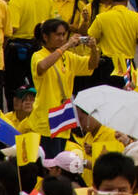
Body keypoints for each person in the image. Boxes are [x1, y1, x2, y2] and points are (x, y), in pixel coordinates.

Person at [28, 17, 101, 154]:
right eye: (58, 34)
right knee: (50, 162)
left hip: (63, 118)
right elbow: (42, 66)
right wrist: (67, 45)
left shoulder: (68, 57)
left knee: (59, 161)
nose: (62, 38)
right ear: (45, 36)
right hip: (46, 119)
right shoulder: (38, 55)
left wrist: (93, 49)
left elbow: (92, 65)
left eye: (64, 35)